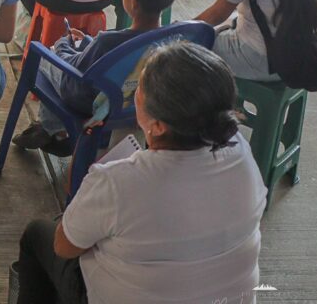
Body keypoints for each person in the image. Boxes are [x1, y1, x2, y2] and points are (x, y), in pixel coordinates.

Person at [15, 42, 266, 304]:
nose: (135, 94)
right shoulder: (240, 150)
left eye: (139, 89)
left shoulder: (117, 181)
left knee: (37, 235)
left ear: (157, 125)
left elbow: (64, 247)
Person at [12, 0, 180, 157]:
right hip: (135, 103)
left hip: (91, 101)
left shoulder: (108, 41)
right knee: (72, 55)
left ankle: (53, 129)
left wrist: (63, 44)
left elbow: (74, 69)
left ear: (133, 2)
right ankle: (52, 131)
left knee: (46, 55)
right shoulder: (172, 39)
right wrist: (89, 44)